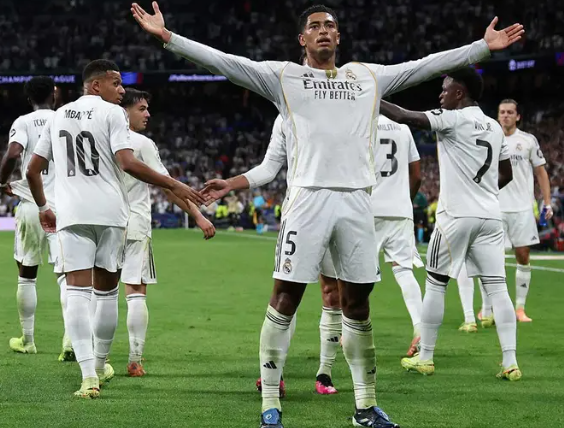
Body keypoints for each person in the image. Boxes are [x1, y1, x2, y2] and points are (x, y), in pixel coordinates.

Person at [131, 2, 523, 426]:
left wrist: (481, 47)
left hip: (357, 203)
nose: (323, 31)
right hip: (307, 201)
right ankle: (270, 404)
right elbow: (225, 63)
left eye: (330, 26)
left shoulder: (367, 76)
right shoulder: (284, 77)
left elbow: (425, 66)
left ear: (338, 36)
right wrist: (169, 39)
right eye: (315, 26)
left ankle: (365, 406)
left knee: (357, 305)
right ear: (302, 39)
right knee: (286, 297)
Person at [26, 59, 204, 399]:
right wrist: (173, 183)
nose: (121, 90)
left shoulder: (58, 115)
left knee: (77, 294)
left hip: (72, 214)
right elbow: (127, 162)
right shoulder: (113, 114)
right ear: (96, 85)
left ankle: (88, 377)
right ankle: (101, 363)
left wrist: (44, 207)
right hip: (110, 214)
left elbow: (33, 170)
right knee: (107, 294)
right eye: (116, 83)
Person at [379, 67, 521, 382]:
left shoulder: (453, 119)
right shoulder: (494, 126)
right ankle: (510, 362)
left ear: (459, 93)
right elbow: (506, 174)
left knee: (435, 284)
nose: (440, 95)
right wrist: (483, 192)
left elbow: (404, 116)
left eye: (445, 90)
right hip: (490, 216)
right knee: (498, 288)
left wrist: (370, 94)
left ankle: (426, 357)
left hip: (455, 216)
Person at [120, 88, 215, 377]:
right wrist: (198, 216)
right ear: (124, 111)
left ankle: (94, 362)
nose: (148, 114)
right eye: (142, 109)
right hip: (133, 224)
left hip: (102, 223)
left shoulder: (99, 138)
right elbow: (169, 186)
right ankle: (134, 359)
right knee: (136, 292)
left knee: (98, 292)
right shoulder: (140, 144)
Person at [0, 76, 71, 359]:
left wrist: (2, 181)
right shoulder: (66, 119)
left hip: (32, 204)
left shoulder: (23, 122)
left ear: (29, 98)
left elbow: (13, 153)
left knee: (27, 274)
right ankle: (70, 340)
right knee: (67, 276)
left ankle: (28, 340)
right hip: (64, 207)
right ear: (54, 96)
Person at [371, 115, 424, 357]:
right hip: (401, 210)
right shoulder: (404, 129)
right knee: (404, 270)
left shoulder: (363, 124)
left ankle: (351, 330)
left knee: (359, 274)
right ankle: (421, 329)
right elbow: (417, 175)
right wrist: (405, 200)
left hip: (369, 209)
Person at [497, 99, 552, 322]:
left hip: (522, 208)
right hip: (496, 208)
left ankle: (520, 308)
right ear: (498, 115)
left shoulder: (528, 141)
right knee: (493, 260)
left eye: (510, 112)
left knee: (523, 256)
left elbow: (541, 172)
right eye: (502, 112)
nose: (506, 115)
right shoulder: (490, 138)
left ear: (518, 116)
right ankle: (489, 308)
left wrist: (547, 202)